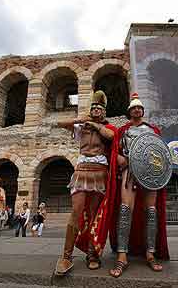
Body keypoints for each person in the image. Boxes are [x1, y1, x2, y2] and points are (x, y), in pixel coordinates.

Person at [54, 90, 118, 275]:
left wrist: (96, 125)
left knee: (93, 214)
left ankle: (92, 254)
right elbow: (60, 123)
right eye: (94, 108)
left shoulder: (107, 127)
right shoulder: (81, 127)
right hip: (82, 169)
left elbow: (111, 137)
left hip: (99, 171)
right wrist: (80, 120)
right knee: (76, 211)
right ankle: (66, 256)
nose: (97, 110)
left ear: (104, 112)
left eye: (99, 108)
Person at [109, 93, 169, 278]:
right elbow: (116, 152)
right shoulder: (123, 131)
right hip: (129, 172)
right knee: (125, 209)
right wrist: (119, 158)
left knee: (151, 211)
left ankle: (150, 254)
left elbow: (161, 153)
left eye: (139, 108)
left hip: (151, 173)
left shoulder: (153, 130)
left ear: (142, 111)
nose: (137, 110)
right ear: (129, 112)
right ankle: (122, 255)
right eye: (134, 108)